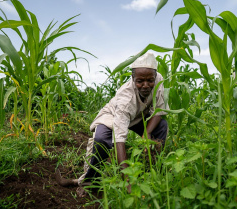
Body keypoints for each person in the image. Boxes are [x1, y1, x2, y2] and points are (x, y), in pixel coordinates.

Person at [56, 52, 169, 196]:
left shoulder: (158, 80)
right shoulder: (125, 99)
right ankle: (88, 182)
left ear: (155, 76)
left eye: (150, 80)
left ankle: (149, 171)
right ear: (133, 79)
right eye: (140, 81)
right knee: (102, 141)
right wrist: (127, 182)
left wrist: (146, 133)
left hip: (138, 116)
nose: (146, 85)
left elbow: (158, 111)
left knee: (161, 127)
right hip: (112, 116)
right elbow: (119, 140)